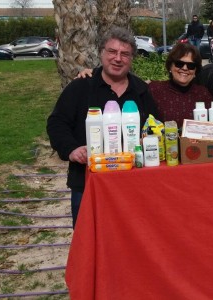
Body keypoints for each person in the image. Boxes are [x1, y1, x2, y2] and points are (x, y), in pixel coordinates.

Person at [46, 26, 156, 228]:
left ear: (132, 58)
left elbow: (155, 126)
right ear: (101, 53)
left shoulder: (141, 90)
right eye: (112, 52)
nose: (118, 58)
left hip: (133, 183)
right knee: (87, 240)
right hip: (88, 183)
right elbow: (57, 122)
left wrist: (147, 139)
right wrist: (71, 149)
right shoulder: (81, 87)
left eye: (125, 54)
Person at [77, 43, 213, 127]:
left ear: (196, 70)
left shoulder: (203, 94)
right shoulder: (153, 89)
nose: (184, 68)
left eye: (190, 65)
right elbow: (122, 81)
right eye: (179, 63)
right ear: (170, 66)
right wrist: (95, 72)